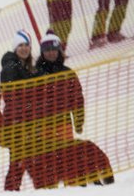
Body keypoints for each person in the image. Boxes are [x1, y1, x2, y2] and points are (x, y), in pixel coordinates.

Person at [32, 32, 115, 186]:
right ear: (42, 53)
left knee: (67, 160)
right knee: (47, 162)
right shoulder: (35, 74)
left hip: (63, 124)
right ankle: (51, 190)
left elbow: (77, 99)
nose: (50, 52)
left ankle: (74, 187)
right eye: (47, 50)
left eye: (53, 49)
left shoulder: (67, 73)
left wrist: (78, 121)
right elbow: (29, 101)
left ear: (59, 51)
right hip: (42, 127)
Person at [0, 30, 41, 190]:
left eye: (27, 45)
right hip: (17, 123)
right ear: (15, 48)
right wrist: (28, 106)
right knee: (20, 160)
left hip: (28, 121)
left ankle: (14, 190)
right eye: (20, 45)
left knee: (25, 160)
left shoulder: (26, 66)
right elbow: (11, 96)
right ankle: (13, 191)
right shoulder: (11, 65)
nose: (24, 48)